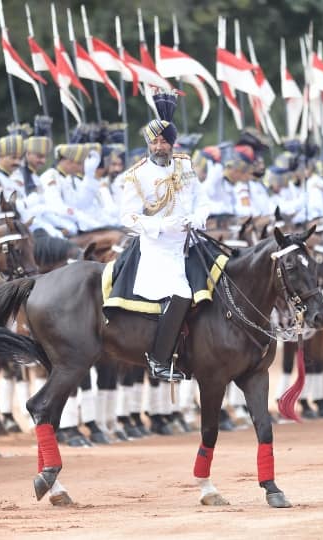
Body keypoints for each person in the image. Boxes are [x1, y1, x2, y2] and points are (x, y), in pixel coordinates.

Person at [119, 90, 210, 381]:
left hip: (191, 240)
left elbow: (201, 199)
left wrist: (198, 218)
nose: (160, 146)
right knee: (182, 293)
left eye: (164, 141)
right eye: (155, 141)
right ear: (148, 144)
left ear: (172, 143)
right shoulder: (137, 175)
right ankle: (158, 360)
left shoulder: (184, 164)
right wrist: (160, 226)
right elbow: (126, 218)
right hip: (158, 246)